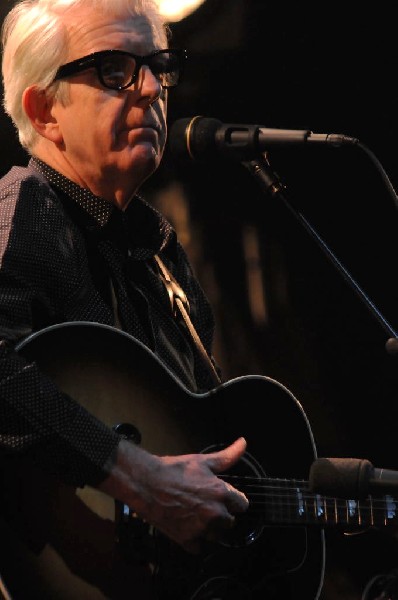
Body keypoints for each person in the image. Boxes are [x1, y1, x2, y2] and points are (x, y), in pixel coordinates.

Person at [0, 0, 249, 597]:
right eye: (115, 70)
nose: (149, 89)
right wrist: (135, 476)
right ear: (45, 109)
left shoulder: (164, 255)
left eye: (158, 65)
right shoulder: (25, 210)